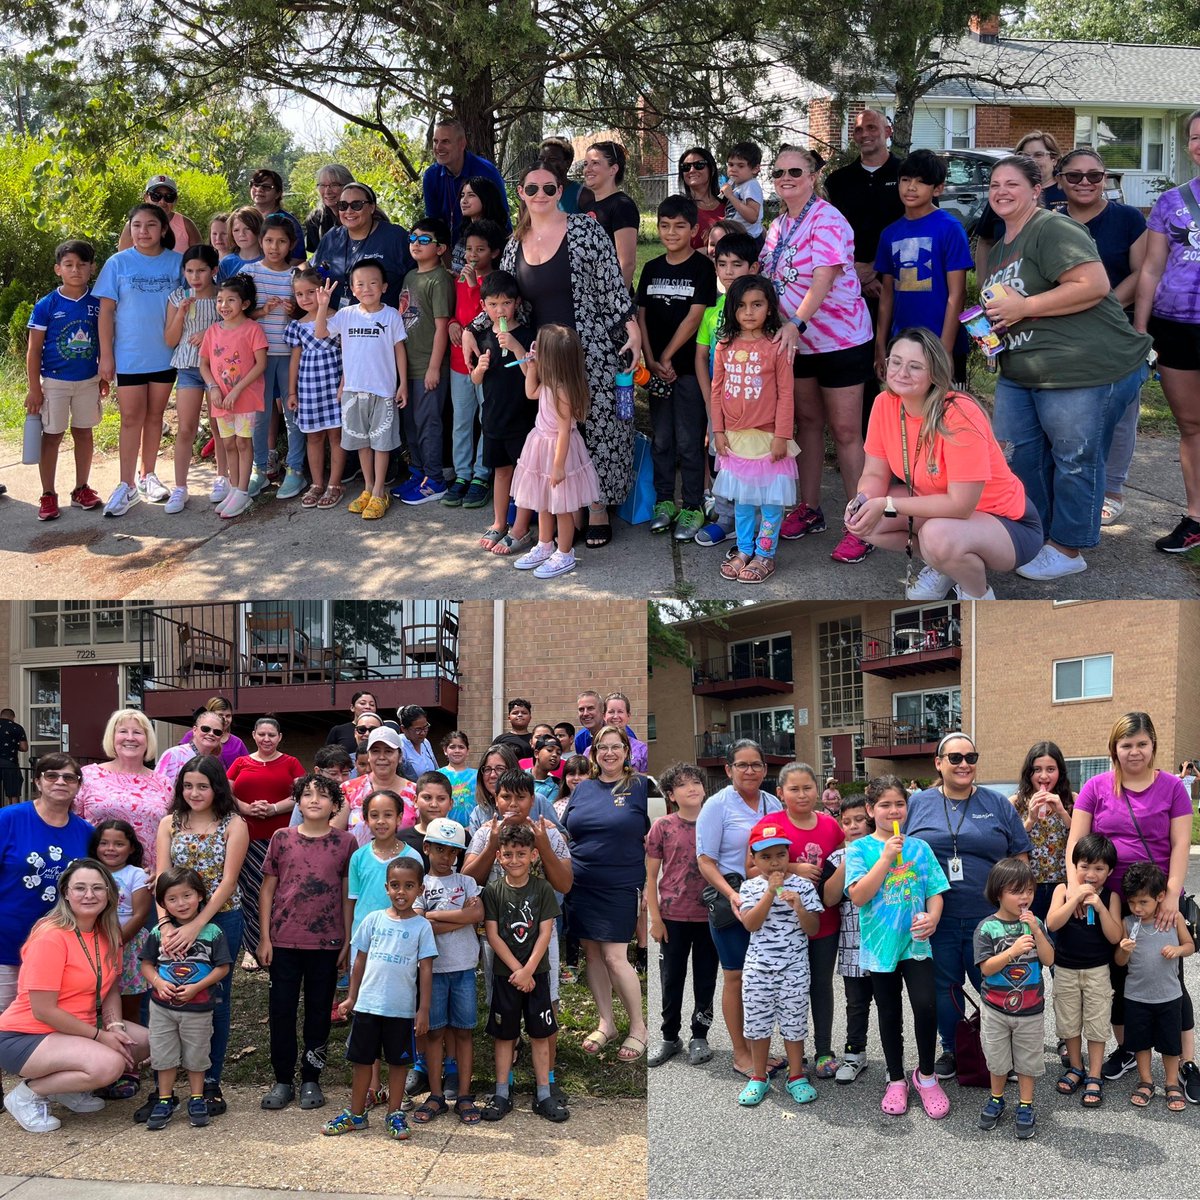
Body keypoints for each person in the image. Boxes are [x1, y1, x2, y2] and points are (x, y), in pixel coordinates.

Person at [980, 153, 1153, 579]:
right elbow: (1010, 311)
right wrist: (992, 333)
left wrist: (1024, 306)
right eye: (995, 184)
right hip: (1023, 372)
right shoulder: (1003, 246)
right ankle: (1038, 537)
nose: (1001, 191)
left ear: (1037, 189)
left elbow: (1093, 285)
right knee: (1020, 458)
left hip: (1082, 368)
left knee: (1075, 458)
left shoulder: (1052, 226)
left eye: (1012, 184)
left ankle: (1069, 549)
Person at [467, 161, 641, 549]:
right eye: (532, 189)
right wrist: (470, 329)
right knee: (552, 431)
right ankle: (562, 506)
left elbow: (612, 286)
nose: (541, 196)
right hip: (540, 354)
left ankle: (596, 506)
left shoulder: (585, 230)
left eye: (549, 188)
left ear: (561, 191)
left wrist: (632, 330)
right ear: (521, 194)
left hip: (589, 347)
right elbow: (503, 301)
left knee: (596, 427)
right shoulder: (515, 244)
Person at [1065, 710, 1200, 1098]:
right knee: (1119, 976)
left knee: (1169, 976)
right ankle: (1127, 1048)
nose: (1134, 751)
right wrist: (1078, 891)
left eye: (1142, 744)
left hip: (1156, 898)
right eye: (1126, 744)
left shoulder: (1173, 787)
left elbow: (1179, 846)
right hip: (1108, 899)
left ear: (1153, 746)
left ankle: (1186, 1061)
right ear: (1115, 748)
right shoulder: (1096, 787)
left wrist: (1170, 896)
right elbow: (1076, 846)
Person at [850, 328, 1041, 600]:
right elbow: (873, 472)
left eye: (915, 366)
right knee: (868, 522)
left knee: (936, 536)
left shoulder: (959, 412)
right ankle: (945, 566)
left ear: (934, 373)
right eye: (896, 361)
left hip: (1008, 523)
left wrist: (887, 504)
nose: (901, 372)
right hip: (944, 510)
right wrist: (863, 500)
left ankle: (977, 596)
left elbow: (961, 506)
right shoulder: (884, 403)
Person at [760, 146, 875, 565]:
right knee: (807, 424)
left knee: (845, 432)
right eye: (779, 172)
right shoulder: (777, 225)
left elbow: (824, 275)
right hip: (798, 343)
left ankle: (861, 525)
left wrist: (797, 322)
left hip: (840, 341)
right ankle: (809, 508)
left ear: (812, 176)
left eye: (795, 171)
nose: (786, 178)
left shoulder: (827, 218)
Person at [903, 732, 1031, 1078]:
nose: (964, 765)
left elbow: (1020, 856)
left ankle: (1002, 1051)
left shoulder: (997, 804)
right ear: (938, 763)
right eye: (955, 758)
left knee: (996, 985)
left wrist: (1019, 907)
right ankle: (952, 1047)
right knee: (947, 988)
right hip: (937, 918)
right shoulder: (916, 804)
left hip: (989, 918)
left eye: (970, 758)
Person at [0, 857, 150, 1134]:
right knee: (110, 1065)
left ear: (110, 894)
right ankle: (27, 1094)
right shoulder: (50, 936)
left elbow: (111, 989)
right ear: (66, 893)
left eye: (98, 888)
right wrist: (101, 1036)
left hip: (76, 1029)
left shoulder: (108, 933)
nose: (89, 895)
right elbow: (43, 1010)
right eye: (80, 887)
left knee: (141, 1042)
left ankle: (66, 1089)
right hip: (25, 1035)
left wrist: (115, 1026)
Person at [1053, 147, 1147, 527]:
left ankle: (1112, 490)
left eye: (1094, 175)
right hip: (1064, 329)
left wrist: (1100, 303)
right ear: (1060, 180)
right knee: (1068, 415)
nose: (1085, 183)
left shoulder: (1127, 218)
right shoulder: (1049, 221)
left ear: (1105, 178)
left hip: (1116, 327)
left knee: (1119, 413)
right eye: (1074, 176)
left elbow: (1142, 272)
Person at [846, 777, 949, 1117]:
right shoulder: (859, 849)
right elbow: (859, 895)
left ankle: (926, 1074)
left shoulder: (920, 847)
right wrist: (887, 857)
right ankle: (895, 1078)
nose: (893, 810)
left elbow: (935, 890)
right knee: (889, 1012)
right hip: (879, 946)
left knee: (926, 1006)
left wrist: (933, 918)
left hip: (917, 943)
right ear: (870, 809)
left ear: (907, 807)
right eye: (885, 805)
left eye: (899, 804)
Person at [154, 755, 249, 1116]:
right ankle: (165, 1085)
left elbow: (228, 881)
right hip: (172, 922)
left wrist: (197, 925)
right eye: (188, 785)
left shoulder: (233, 823)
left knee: (214, 998)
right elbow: (161, 876)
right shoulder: (169, 823)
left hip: (221, 920)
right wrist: (165, 925)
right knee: (167, 995)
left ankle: (210, 1081)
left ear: (216, 788)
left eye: (202, 786)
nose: (194, 792)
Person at [258, 774, 354, 1111]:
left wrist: (346, 940)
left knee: (318, 1012)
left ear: (334, 805)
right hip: (284, 941)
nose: (315, 800)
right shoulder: (281, 838)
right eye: (308, 794)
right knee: (282, 1011)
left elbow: (346, 895)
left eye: (323, 795)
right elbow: (268, 889)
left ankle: (312, 1077)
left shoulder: (345, 843)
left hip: (326, 944)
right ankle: (282, 1078)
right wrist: (264, 937)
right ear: (298, 802)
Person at [325, 856, 435, 1140]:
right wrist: (351, 997)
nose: (401, 892)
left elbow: (426, 969)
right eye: (396, 885)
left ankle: (394, 1113)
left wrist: (423, 1010)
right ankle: (356, 1113)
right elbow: (359, 961)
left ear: (420, 890)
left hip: (401, 1011)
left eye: (409, 886)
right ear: (386, 887)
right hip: (368, 1006)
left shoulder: (421, 927)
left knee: (399, 1064)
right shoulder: (373, 920)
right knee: (362, 1061)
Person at [747, 762, 843, 1077]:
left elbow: (841, 864)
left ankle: (824, 1050)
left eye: (807, 788)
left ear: (818, 790)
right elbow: (749, 871)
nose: (802, 795)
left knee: (820, 985)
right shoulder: (770, 823)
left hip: (821, 918)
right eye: (794, 789)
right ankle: (793, 1055)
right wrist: (792, 869)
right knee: (787, 991)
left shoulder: (830, 825)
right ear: (781, 793)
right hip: (779, 928)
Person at [694, 738, 781, 1076]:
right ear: (728, 769)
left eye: (756, 764)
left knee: (764, 978)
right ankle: (741, 1053)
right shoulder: (717, 806)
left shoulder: (772, 803)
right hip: (732, 902)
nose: (750, 770)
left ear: (765, 768)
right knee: (736, 977)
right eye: (741, 765)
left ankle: (760, 1048)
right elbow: (704, 860)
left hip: (769, 902)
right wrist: (730, 893)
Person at [1134, 110, 1200, 553]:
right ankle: (1197, 517)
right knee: (1192, 426)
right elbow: (1152, 268)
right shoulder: (1171, 201)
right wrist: (1141, 328)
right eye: (1195, 137)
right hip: (1177, 328)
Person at [566, 727, 650, 1062]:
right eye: (603, 747)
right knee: (592, 954)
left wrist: (651, 885)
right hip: (581, 884)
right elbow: (566, 829)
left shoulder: (642, 786)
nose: (609, 753)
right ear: (594, 752)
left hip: (621, 884)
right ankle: (607, 1022)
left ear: (627, 751)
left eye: (616, 747)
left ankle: (639, 1027)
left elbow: (657, 837)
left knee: (616, 956)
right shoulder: (583, 788)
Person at [95, 203, 183, 517]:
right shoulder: (117, 263)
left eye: (150, 225)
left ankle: (148, 475)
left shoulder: (177, 263)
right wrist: (106, 355)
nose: (143, 232)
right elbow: (105, 312)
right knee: (131, 418)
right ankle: (125, 485)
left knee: (155, 416)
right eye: (136, 225)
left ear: (163, 230)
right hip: (128, 356)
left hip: (166, 355)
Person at [639, 196, 719, 542]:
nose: (671, 232)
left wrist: (668, 356)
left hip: (687, 369)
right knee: (662, 439)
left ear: (695, 230)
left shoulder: (702, 268)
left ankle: (692, 506)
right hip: (657, 370)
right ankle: (663, 502)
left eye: (680, 226)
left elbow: (696, 314)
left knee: (689, 441)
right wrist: (651, 359)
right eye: (665, 225)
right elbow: (641, 316)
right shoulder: (652, 267)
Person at [711, 274, 796, 584]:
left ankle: (765, 554)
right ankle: (744, 549)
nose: (749, 312)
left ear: (770, 308)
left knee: (771, 504)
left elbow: (786, 394)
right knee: (743, 502)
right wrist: (718, 431)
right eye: (742, 306)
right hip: (735, 439)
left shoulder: (776, 347)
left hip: (769, 438)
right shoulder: (724, 346)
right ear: (732, 309)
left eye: (757, 304)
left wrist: (782, 436)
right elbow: (716, 391)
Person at [480, 823, 567, 1123]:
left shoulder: (542, 889)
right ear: (498, 857)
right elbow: (492, 934)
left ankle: (544, 1094)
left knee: (541, 1035)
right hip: (506, 976)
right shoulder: (493, 891)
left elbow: (545, 932)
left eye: (521, 853)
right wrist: (517, 970)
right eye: (508, 854)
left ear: (533, 855)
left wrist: (529, 970)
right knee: (505, 1036)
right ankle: (502, 1092)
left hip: (537, 975)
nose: (514, 859)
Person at [733, 825, 823, 1106]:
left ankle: (796, 1075)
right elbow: (750, 923)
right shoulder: (749, 887)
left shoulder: (803, 886)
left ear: (789, 856)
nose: (775, 863)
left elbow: (813, 929)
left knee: (794, 1024)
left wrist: (799, 907)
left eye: (781, 855)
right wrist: (770, 893)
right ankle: (759, 1076)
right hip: (758, 969)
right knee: (758, 1025)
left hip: (794, 968)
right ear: (754, 859)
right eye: (766, 856)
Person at [138, 866, 232, 1131]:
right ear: (162, 903)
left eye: (187, 895)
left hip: (199, 1007)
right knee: (163, 1054)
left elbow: (223, 968)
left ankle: (196, 1097)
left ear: (200, 896)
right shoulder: (159, 933)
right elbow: (146, 965)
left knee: (197, 1054)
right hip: (162, 1007)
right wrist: (158, 982)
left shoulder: (213, 932)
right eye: (172, 898)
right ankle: (165, 1099)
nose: (181, 903)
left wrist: (197, 987)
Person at [506, 323, 601, 578]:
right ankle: (544, 544)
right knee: (543, 504)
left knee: (562, 507)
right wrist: (532, 367)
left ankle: (565, 552)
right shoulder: (550, 381)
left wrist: (558, 466)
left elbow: (563, 432)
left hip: (558, 452)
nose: (534, 349)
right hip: (540, 446)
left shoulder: (563, 390)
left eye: (539, 349)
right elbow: (530, 392)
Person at [0, 755, 93, 1013]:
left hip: (58, 948)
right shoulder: (8, 820)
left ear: (78, 785)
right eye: (52, 775)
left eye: (69, 777)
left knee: (42, 1026)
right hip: (6, 944)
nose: (60, 782)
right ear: (37, 782)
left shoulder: (86, 832)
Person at [315, 261, 407, 521]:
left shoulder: (391, 315)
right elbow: (321, 332)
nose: (367, 288)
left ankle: (380, 491)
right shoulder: (346, 315)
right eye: (360, 284)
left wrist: (403, 384)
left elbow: (399, 349)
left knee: (381, 443)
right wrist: (322, 305)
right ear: (353, 289)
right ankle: (368, 488)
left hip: (383, 391)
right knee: (362, 443)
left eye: (373, 283)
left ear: (384, 287)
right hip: (353, 391)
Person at [873, 150, 973, 387]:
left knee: (946, 416)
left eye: (921, 182)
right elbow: (886, 295)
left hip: (941, 341)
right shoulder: (889, 234)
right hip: (903, 343)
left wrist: (945, 350)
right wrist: (880, 345)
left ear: (937, 189)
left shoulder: (950, 228)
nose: (911, 187)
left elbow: (957, 294)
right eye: (906, 180)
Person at [975, 857, 1055, 1139]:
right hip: (995, 1008)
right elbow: (985, 968)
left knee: (1028, 1061)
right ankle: (997, 1098)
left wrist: (1036, 931)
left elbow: (1048, 958)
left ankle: (1026, 1104)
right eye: (1016, 891)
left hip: (1031, 1009)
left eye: (1029, 891)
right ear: (998, 893)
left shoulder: (1035, 924)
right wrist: (1012, 952)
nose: (1025, 897)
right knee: (996, 1059)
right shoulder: (987, 928)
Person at [26, 239, 105, 521]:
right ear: (58, 269)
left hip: (88, 381)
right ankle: (48, 494)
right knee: (53, 436)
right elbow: (34, 350)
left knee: (84, 432)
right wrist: (35, 388)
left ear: (92, 268)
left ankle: (81, 488)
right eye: (69, 265)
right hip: (54, 382)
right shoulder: (47, 305)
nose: (76, 270)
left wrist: (103, 375)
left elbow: (104, 341)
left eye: (82, 265)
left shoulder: (97, 303)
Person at [646, 763, 718, 1068]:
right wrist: (655, 919)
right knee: (671, 980)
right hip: (672, 916)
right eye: (683, 784)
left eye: (696, 782)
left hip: (711, 917)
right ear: (671, 794)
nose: (692, 788)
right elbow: (650, 877)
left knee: (706, 979)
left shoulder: (715, 823)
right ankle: (669, 1037)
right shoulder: (662, 826)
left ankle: (699, 1035)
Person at [412, 818, 483, 1124]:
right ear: (426, 847)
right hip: (433, 972)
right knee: (434, 1032)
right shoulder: (420, 885)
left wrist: (435, 916)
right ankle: (437, 1095)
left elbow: (477, 913)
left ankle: (465, 1095)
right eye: (439, 849)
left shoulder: (466, 882)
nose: (446, 856)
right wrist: (461, 917)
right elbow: (419, 924)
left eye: (453, 851)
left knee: (464, 1032)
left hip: (464, 967)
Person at [1045, 832, 1122, 1107]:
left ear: (1109, 871)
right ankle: (1076, 1067)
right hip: (1065, 969)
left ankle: (1095, 1073)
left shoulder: (1111, 897)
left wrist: (1100, 907)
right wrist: (1073, 899)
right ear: (1074, 866)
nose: (1091, 874)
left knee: (1097, 1022)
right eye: (1084, 867)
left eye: (1099, 868)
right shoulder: (1062, 890)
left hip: (1098, 971)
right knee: (1069, 1021)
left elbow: (1115, 937)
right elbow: (1052, 924)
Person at [694, 232, 760, 548]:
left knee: (753, 464)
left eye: (737, 264)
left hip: (757, 410)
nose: (729, 271)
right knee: (719, 460)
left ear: (754, 267)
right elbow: (700, 359)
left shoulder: (765, 312)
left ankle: (756, 524)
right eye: (722, 264)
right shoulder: (711, 311)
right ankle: (725, 518)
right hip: (720, 405)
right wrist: (711, 405)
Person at [239, 212, 308, 500]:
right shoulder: (250, 274)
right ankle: (260, 468)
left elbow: (310, 312)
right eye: (269, 240)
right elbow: (240, 313)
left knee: (293, 414)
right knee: (260, 416)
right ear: (260, 241)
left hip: (291, 356)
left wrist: (297, 310)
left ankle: (295, 469)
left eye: (281, 241)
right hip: (260, 358)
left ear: (291, 244)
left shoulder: (297, 275)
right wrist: (262, 311)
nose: (274, 247)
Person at [1117, 860, 1194, 1112]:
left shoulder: (1174, 919)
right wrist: (1123, 950)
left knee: (1171, 1043)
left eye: (1144, 902)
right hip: (1136, 995)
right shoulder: (1127, 924)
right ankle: (1146, 1080)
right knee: (1140, 1042)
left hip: (1169, 995)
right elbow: (1119, 962)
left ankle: (1171, 1082)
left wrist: (1178, 949)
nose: (1137, 908)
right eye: (1132, 902)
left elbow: (1191, 946)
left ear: (1160, 897)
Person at [228, 717, 305, 968]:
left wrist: (272, 808)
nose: (266, 739)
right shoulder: (240, 763)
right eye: (261, 734)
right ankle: (251, 947)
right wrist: (245, 808)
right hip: (246, 839)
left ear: (280, 737)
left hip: (280, 838)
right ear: (253, 735)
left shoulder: (291, 762)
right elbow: (226, 792)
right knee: (249, 892)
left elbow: (301, 794)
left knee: (277, 893)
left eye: (272, 735)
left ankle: (276, 941)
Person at [471, 270, 537, 555]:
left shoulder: (527, 334)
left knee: (525, 473)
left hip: (522, 417)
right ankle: (499, 522)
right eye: (494, 304)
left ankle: (521, 528)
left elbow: (531, 375)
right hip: (494, 416)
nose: (500, 310)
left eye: (506, 304)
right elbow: (475, 380)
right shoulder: (484, 337)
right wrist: (479, 369)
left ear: (517, 303)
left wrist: (517, 346)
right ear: (484, 306)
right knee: (500, 472)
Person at [392, 216, 453, 506]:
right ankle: (417, 474)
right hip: (408, 366)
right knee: (411, 424)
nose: (416, 243)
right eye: (413, 238)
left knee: (429, 423)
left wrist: (433, 367)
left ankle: (435, 480)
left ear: (440, 248)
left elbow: (442, 327)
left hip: (430, 366)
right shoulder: (410, 276)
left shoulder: (439, 280)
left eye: (425, 239)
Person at [199, 273, 269, 519]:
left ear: (245, 304)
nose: (224, 306)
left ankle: (242, 490)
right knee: (227, 443)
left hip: (245, 397)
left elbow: (260, 364)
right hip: (220, 398)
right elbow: (204, 365)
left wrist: (238, 389)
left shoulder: (253, 329)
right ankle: (233, 486)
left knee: (242, 442)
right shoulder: (212, 332)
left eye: (230, 300)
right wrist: (213, 387)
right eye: (220, 300)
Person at [824, 110, 905, 321]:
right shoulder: (838, 181)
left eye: (871, 127)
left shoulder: (907, 175)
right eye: (858, 129)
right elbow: (828, 235)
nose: (864, 134)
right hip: (849, 284)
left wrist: (876, 267)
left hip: (901, 282)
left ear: (888, 132)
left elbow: (920, 227)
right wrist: (859, 274)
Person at [446, 217, 503, 509]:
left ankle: (482, 474)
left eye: (480, 249)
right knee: (461, 421)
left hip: (486, 362)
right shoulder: (458, 280)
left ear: (493, 252)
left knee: (486, 418)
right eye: (469, 249)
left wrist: (472, 286)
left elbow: (480, 318)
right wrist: (452, 324)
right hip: (460, 362)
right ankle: (462, 474)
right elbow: (460, 314)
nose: (472, 255)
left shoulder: (495, 283)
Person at [75, 709, 173, 874]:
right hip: (97, 876)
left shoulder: (163, 783)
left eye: (137, 732)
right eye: (122, 731)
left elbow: (171, 833)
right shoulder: (88, 776)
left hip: (148, 879)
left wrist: (163, 872)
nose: (130, 737)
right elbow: (74, 825)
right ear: (112, 738)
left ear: (148, 739)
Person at [163, 244, 223, 512]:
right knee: (185, 428)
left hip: (219, 369)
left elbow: (234, 328)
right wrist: (181, 313)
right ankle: (180, 487)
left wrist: (210, 333)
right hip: (188, 367)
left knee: (219, 426)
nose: (195, 277)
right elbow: (170, 339)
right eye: (189, 271)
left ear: (214, 271)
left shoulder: (223, 296)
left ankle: (223, 478)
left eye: (201, 271)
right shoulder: (178, 297)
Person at [820, 794, 873, 1083]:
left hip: (885, 946)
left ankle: (894, 1059)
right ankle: (855, 1053)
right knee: (856, 1003)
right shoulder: (835, 859)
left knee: (891, 1003)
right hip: (852, 947)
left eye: (860, 820)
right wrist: (849, 857)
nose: (853, 826)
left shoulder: (886, 851)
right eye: (846, 822)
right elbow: (828, 898)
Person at [88, 819, 150, 1063]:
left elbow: (140, 915)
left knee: (129, 1008)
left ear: (131, 848)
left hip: (129, 948)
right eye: (104, 843)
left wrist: (116, 944)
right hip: (90, 948)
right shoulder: (88, 870)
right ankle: (99, 1057)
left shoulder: (136, 874)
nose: (110, 849)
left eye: (118, 844)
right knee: (93, 1007)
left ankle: (129, 1063)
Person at [285, 264, 345, 508]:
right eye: (300, 294)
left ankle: (335, 483)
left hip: (335, 386)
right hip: (309, 390)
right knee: (314, 438)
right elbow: (294, 361)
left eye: (311, 292)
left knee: (336, 436)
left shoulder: (339, 318)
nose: (305, 298)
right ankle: (317, 483)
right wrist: (291, 391)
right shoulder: (297, 326)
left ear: (322, 290)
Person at [973, 130, 1068, 277]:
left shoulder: (1067, 192)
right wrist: (983, 282)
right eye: (1024, 155)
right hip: (1005, 282)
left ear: (1054, 159)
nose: (1031, 160)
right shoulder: (1003, 197)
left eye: (1038, 155)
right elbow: (985, 240)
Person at [312, 183, 415, 311]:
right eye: (343, 205)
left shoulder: (395, 237)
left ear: (371, 207)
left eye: (356, 205)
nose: (349, 211)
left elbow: (420, 275)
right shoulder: (331, 238)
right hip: (337, 323)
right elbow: (313, 274)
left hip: (383, 324)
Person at [1008, 741, 1074, 924]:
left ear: (1060, 771)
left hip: (1063, 884)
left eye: (1051, 769)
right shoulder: (1015, 803)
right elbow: (1009, 844)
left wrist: (1062, 812)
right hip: (1028, 887)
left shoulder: (1073, 800)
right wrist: (1030, 820)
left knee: (1059, 940)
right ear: (1029, 773)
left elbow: (1081, 841)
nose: (1044, 776)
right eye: (1037, 769)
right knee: (1030, 938)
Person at [423, 119, 509, 246]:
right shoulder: (431, 175)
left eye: (445, 141)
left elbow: (501, 219)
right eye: (435, 141)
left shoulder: (486, 171)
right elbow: (434, 224)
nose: (438, 147)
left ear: (462, 144)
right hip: (449, 252)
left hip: (486, 250)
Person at [577, 140, 640, 288]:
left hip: (612, 298)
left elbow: (627, 263)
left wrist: (618, 305)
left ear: (613, 169)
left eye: (595, 163)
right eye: (586, 164)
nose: (588, 169)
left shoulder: (622, 205)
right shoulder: (588, 206)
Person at [340, 728, 418, 840]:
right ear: (369, 756)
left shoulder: (416, 792)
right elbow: (336, 835)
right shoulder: (348, 789)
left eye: (388, 751)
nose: (382, 757)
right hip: (358, 857)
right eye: (375, 751)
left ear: (400, 756)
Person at [117, 175, 202, 254]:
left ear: (176, 200)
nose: (162, 202)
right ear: (146, 197)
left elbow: (200, 258)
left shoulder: (187, 225)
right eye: (156, 196)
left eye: (169, 197)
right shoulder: (132, 225)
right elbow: (123, 261)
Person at [450, 178, 511, 274]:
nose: (463, 201)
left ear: (486, 198)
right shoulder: (465, 229)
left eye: (471, 195)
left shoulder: (496, 234)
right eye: (462, 195)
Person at [154, 709, 226, 789]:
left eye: (217, 732)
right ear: (194, 730)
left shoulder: (215, 763)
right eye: (205, 729)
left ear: (221, 737)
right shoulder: (174, 754)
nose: (211, 734)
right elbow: (157, 791)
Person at [245, 168, 305, 261]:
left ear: (278, 194)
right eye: (256, 185)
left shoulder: (288, 222)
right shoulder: (244, 218)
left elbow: (298, 259)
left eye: (267, 187)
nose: (259, 189)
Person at [676, 148, 726, 250]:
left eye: (699, 165)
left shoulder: (729, 204)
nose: (692, 170)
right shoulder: (679, 209)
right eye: (685, 167)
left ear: (711, 170)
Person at [180, 697, 248, 770]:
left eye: (228, 716)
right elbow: (181, 758)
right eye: (220, 715)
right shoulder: (193, 735)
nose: (224, 719)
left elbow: (246, 768)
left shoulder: (237, 743)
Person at [466, 744, 521, 834]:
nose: (492, 775)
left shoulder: (538, 802)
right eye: (487, 769)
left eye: (500, 768)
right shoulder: (479, 812)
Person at [719, 141, 765, 247]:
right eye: (730, 165)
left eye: (740, 166)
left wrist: (730, 196)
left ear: (755, 169)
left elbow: (752, 216)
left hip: (749, 240)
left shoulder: (751, 185)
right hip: (737, 237)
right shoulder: (737, 186)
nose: (733, 169)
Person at [304, 164, 354, 254]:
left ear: (349, 186)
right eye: (322, 185)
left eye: (334, 185)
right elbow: (316, 259)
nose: (327, 191)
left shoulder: (363, 214)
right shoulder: (315, 220)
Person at [603, 694, 649, 774]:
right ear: (604, 716)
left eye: (620, 712)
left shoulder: (642, 750)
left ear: (628, 716)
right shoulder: (591, 750)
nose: (615, 716)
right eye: (611, 712)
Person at [217, 207, 263, 283]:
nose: (242, 234)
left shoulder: (269, 260)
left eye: (247, 228)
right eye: (236, 230)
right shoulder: (226, 263)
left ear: (259, 229)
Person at [440, 732, 476, 825]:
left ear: (468, 751)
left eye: (461, 747)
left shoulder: (476, 775)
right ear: (445, 750)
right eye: (452, 747)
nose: (457, 751)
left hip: (472, 829)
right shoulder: (438, 775)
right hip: (444, 828)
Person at [540, 137, 582, 214]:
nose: (544, 164)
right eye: (541, 159)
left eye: (552, 159)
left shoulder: (582, 195)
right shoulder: (532, 193)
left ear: (567, 163)